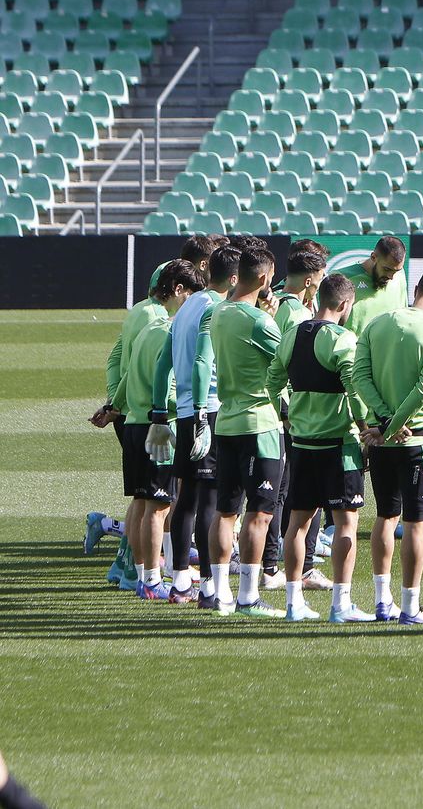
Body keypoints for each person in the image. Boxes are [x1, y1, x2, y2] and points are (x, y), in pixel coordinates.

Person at [266, 271, 372, 622]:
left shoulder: (293, 334)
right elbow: (355, 390)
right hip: (339, 445)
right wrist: (364, 426)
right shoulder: (344, 340)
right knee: (346, 524)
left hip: (302, 443)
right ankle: (341, 605)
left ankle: (295, 604)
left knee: (297, 522)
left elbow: (273, 380)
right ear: (344, 304)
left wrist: (286, 415)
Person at [353, 267, 423, 624]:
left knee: (384, 516)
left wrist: (382, 424)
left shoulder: (377, 324)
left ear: (416, 289)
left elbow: (359, 377)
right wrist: (394, 425)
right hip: (418, 441)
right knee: (416, 524)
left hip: (382, 441)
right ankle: (410, 607)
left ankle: (383, 602)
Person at [151, 241, 235, 605]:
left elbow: (162, 364)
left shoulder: (187, 306)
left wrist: (159, 412)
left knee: (186, 496)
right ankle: (207, 585)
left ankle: (181, 579)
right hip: (207, 409)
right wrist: (203, 413)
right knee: (210, 499)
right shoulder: (215, 308)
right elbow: (203, 361)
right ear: (233, 278)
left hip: (184, 411)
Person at [205, 247, 287, 617]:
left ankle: (218, 592)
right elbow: (287, 360)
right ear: (266, 279)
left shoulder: (219, 311)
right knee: (260, 513)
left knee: (226, 511)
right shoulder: (260, 322)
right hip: (260, 425)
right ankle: (248, 596)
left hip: (226, 422)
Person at [123, 261, 204, 599]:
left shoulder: (146, 327)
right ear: (179, 291)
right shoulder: (166, 331)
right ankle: (154, 578)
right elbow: (167, 384)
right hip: (157, 429)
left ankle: (145, 576)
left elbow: (128, 374)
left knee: (144, 504)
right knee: (158, 506)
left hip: (133, 423)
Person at [263, 248, 332, 594]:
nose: (320, 284)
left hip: (276, 409)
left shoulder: (275, 305)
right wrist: (288, 409)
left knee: (281, 491)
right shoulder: (296, 314)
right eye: (319, 278)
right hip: (295, 414)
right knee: (293, 492)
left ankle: (272, 563)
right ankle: (292, 565)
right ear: (309, 280)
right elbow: (286, 365)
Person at [338, 235, 408, 336]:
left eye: (396, 271)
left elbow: (402, 318)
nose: (391, 276)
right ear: (373, 257)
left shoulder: (400, 276)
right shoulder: (342, 278)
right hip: (352, 351)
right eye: (387, 269)